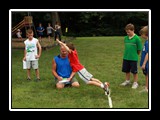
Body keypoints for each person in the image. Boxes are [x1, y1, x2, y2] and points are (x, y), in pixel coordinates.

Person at [120, 23, 142, 89]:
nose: (127, 33)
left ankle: (135, 83)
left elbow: (139, 49)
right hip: (126, 57)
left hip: (133, 58)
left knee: (134, 71)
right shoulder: (126, 38)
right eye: (126, 32)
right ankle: (127, 81)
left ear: (133, 30)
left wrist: (135, 55)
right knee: (126, 70)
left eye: (129, 32)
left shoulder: (137, 39)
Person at [139, 26, 149, 93]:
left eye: (142, 34)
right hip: (145, 63)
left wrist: (144, 64)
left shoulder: (148, 43)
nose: (141, 36)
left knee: (147, 75)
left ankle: (146, 88)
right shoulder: (147, 41)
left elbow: (148, 54)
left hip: (147, 63)